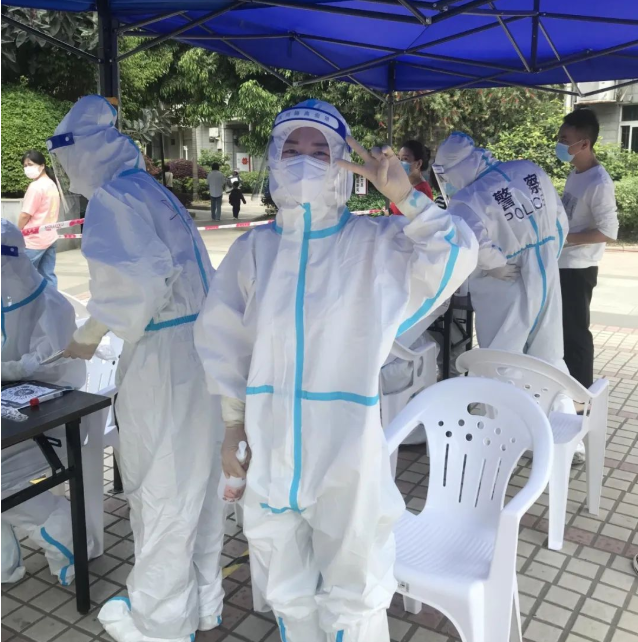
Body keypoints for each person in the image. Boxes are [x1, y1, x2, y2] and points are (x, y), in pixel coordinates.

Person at [194, 99, 477, 642]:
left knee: (356, 590)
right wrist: (232, 426)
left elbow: (456, 253)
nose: (304, 161)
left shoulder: (375, 244)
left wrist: (407, 199)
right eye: (291, 148)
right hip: (270, 446)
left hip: (346, 450)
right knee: (285, 589)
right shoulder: (254, 251)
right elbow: (225, 344)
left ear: (343, 165)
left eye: (320, 151)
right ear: (273, 158)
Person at [48, 95, 225, 642]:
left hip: (164, 358)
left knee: (162, 488)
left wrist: (86, 337)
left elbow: (138, 285)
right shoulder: (149, 188)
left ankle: (159, 621)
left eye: (66, 158)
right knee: (198, 485)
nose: (66, 171)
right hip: (201, 350)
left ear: (82, 152)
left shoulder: (113, 199)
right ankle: (202, 605)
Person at [433, 132, 569, 372]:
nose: (447, 182)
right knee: (548, 349)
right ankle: (551, 394)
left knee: (504, 353)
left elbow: (472, 240)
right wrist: (549, 252)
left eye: (446, 174)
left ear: (460, 167)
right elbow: (560, 219)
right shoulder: (528, 169)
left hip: (505, 281)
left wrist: (495, 264)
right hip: (546, 270)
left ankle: (504, 396)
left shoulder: (467, 199)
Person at [1, 218, 89, 586]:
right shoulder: (8, 302)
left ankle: (66, 537)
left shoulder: (50, 306)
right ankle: (6, 564)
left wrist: (15, 370)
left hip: (55, 422)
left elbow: (57, 370)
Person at [557, 109, 619, 389]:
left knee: (576, 335)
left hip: (578, 269)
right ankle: (565, 390)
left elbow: (608, 232)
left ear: (584, 143)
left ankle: (581, 398)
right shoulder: (577, 172)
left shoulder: (599, 183)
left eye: (564, 139)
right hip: (563, 264)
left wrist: (565, 238)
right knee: (562, 333)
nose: (559, 144)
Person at [18, 150, 61, 287]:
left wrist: (17, 231)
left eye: (30, 164)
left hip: (34, 240)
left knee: (22, 276)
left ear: (42, 166)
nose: (27, 168)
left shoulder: (36, 187)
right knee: (48, 275)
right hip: (50, 236)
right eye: (25, 165)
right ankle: (52, 299)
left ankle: (27, 301)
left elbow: (25, 214)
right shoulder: (51, 184)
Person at [390, 140, 433, 215]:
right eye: (399, 158)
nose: (400, 163)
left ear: (418, 163)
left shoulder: (422, 191)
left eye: (405, 159)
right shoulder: (404, 185)